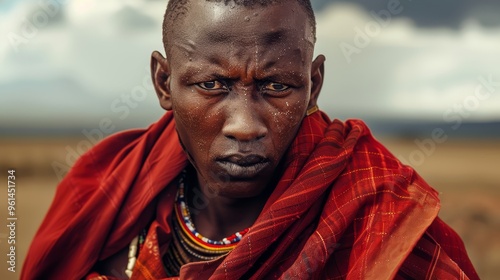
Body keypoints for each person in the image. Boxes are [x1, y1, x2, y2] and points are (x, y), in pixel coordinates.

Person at [22, 0, 479, 279]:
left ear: (313, 85)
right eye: (212, 85)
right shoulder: (103, 186)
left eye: (277, 86)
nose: (244, 125)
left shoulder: (381, 222)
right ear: (164, 82)